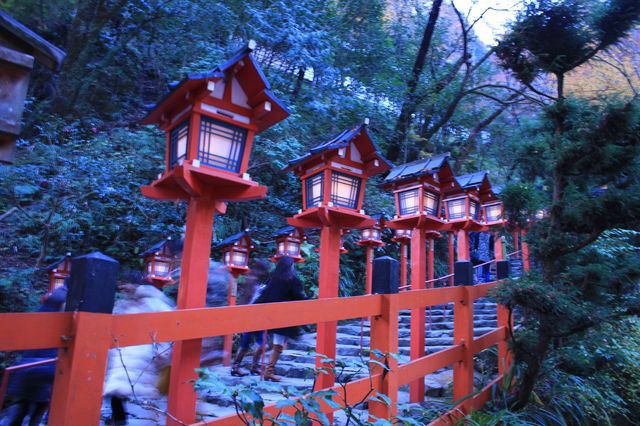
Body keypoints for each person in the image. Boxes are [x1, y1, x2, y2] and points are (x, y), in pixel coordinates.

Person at [1, 284, 67, 426]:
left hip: (27, 365)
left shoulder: (41, 313)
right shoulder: (62, 316)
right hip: (45, 366)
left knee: (21, 406)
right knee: (36, 407)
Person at [254, 256, 307, 382]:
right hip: (284, 318)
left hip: (273, 317)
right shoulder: (292, 280)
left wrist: (255, 310)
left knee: (277, 343)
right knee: (278, 345)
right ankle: (268, 371)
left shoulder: (273, 280)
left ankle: (265, 369)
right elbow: (298, 296)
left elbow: (264, 295)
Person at [231, 261, 270, 377]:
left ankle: (254, 366)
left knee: (262, 343)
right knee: (245, 344)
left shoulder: (258, 281)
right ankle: (236, 367)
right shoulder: (251, 280)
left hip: (259, 317)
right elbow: (247, 300)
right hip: (251, 317)